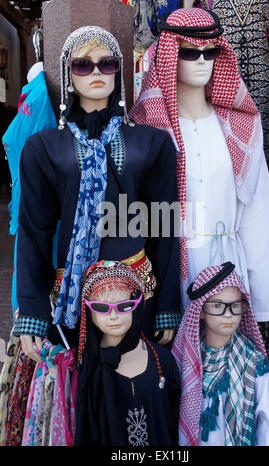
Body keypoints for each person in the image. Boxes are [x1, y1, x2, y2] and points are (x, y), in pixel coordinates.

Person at [14, 26, 182, 363]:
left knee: (135, 386)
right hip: (72, 298)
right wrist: (31, 311)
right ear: (68, 73)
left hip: (137, 297)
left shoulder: (153, 143)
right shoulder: (43, 148)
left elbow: (165, 229)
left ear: (118, 72)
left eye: (106, 64)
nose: (95, 72)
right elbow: (34, 231)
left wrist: (167, 305)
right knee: (82, 387)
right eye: (82, 65)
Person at [130, 8, 269, 322]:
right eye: (190, 52)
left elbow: (257, 216)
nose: (203, 61)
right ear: (170, 55)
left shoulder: (241, 125)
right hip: (171, 268)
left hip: (229, 268)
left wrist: (266, 300)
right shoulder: (148, 128)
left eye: (211, 51)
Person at [172, 261, 269, 446]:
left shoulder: (254, 362)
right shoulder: (185, 360)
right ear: (201, 310)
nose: (228, 314)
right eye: (217, 306)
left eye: (235, 306)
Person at [75, 260, 181, 446]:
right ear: (89, 310)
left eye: (124, 306)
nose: (113, 315)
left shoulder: (162, 360)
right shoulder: (86, 368)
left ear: (138, 306)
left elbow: (172, 422)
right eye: (101, 307)